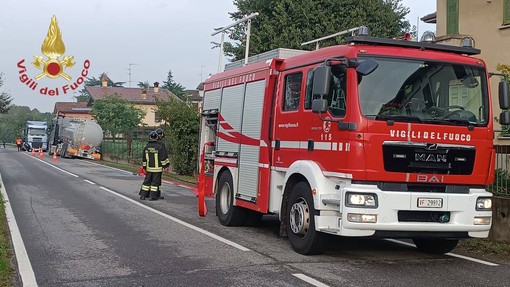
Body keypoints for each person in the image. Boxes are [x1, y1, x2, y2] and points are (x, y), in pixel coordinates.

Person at [139, 131, 170, 201]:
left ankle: (143, 195)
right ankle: (152, 196)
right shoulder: (159, 147)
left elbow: (144, 159)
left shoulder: (146, 147)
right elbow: (163, 158)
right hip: (157, 169)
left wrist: (144, 167)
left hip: (149, 169)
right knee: (155, 183)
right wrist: (166, 166)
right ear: (157, 137)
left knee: (146, 182)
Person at [154, 128, 168, 200]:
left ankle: (149, 194)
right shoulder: (161, 144)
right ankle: (157, 194)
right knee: (157, 181)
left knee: (150, 180)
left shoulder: (151, 144)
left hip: (150, 166)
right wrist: (165, 166)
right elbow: (164, 155)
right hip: (158, 166)